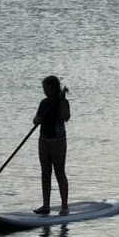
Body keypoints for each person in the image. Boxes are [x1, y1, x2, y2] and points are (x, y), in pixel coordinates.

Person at [33, 76, 71, 215]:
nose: (44, 91)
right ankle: (46, 205)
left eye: (46, 88)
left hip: (58, 141)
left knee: (59, 172)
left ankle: (64, 206)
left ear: (53, 88)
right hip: (44, 140)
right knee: (45, 172)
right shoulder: (44, 103)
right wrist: (38, 119)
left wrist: (60, 100)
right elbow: (36, 119)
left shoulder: (63, 102)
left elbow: (65, 117)